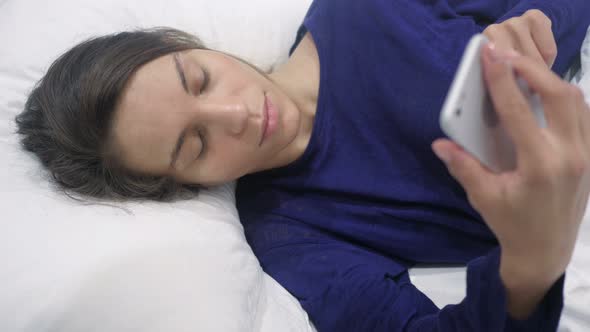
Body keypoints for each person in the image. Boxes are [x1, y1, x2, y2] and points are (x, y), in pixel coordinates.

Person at [14, 0, 590, 330]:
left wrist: (533, 29)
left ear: (183, 42)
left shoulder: (358, 13)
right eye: (194, 144)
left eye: (200, 78)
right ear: (178, 186)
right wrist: (529, 264)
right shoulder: (292, 237)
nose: (236, 113)